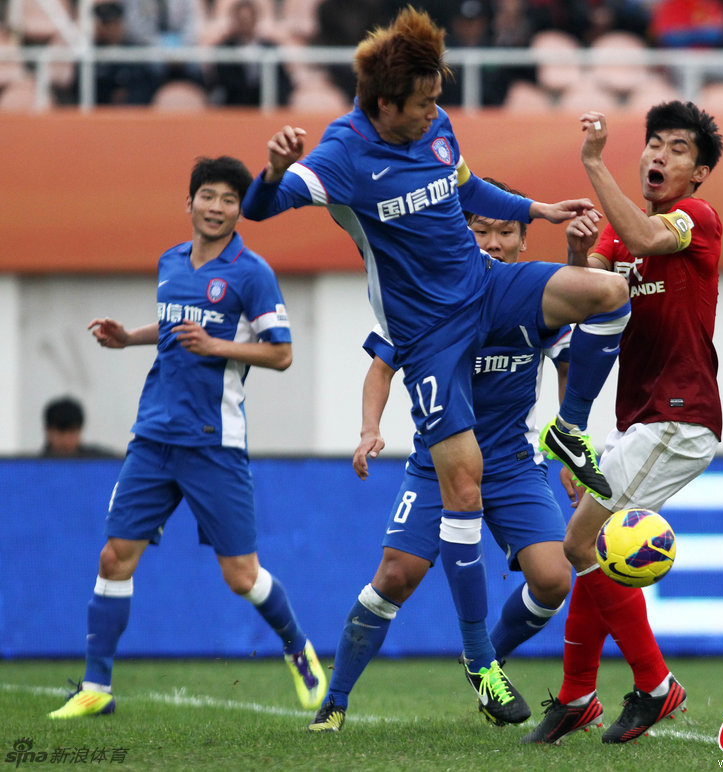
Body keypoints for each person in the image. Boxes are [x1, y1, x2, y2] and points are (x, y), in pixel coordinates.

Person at [240, 5, 630, 725]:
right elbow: (263, 211)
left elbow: (465, 185)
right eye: (422, 103)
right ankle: (480, 664)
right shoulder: (343, 155)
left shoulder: (437, 128)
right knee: (459, 482)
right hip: (429, 337)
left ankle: (568, 432)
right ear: (384, 104)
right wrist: (271, 173)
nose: (434, 113)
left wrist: (536, 209)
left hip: (487, 290)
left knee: (609, 290)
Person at [48, 156, 326, 719]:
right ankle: (96, 687)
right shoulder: (170, 262)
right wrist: (130, 338)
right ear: (190, 203)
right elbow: (177, 325)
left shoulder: (252, 272)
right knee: (113, 557)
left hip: (213, 442)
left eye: (228, 199)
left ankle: (298, 649)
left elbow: (282, 353)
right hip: (153, 436)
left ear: (239, 209)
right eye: (208, 196)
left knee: (241, 576)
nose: (216, 207)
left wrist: (218, 347)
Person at [308, 178, 576, 732]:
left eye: (507, 232)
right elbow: (382, 365)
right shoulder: (425, 296)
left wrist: (573, 440)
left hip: (510, 463)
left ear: (524, 243)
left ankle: (484, 663)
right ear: (461, 232)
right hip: (438, 465)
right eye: (482, 229)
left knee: (553, 580)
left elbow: (571, 358)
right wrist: (368, 429)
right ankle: (334, 702)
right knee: (396, 575)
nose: (494, 242)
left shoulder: (532, 297)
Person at [522, 101, 723, 745]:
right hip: (636, 421)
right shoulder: (618, 237)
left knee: (581, 546)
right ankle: (579, 696)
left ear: (700, 174)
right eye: (654, 143)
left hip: (679, 417)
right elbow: (589, 303)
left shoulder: (696, 218)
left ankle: (657, 686)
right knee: (589, 552)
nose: (659, 155)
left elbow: (643, 239)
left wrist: (590, 162)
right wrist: (578, 254)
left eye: (678, 149)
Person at [208, 0, 293, 107]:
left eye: (248, 18)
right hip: (235, 104)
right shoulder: (224, 47)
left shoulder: (270, 47)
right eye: (242, 19)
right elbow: (221, 80)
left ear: (255, 19)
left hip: (265, 103)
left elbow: (283, 79)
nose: (245, 23)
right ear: (235, 20)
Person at [41, 396, 118, 458]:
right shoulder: (36, 467)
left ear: (80, 430)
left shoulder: (100, 461)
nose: (66, 440)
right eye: (60, 432)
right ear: (48, 430)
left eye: (72, 432)